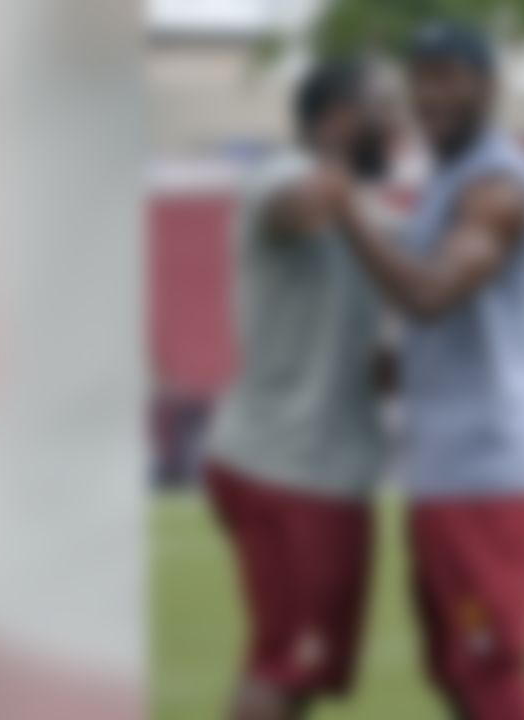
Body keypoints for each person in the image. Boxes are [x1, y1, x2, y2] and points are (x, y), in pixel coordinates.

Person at [319, 23, 524, 720]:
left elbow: (430, 296)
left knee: (489, 673)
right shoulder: (447, 181)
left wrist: (346, 211)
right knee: (457, 673)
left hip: (487, 474)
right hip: (445, 471)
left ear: (490, 86)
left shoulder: (498, 185)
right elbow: (434, 337)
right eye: (421, 76)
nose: (430, 93)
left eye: (450, 75)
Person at [201, 60, 395, 720]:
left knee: (299, 671)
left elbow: (378, 360)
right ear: (338, 121)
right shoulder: (280, 179)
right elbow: (304, 208)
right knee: (285, 668)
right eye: (384, 111)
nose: (399, 126)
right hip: (289, 465)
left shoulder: (366, 213)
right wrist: (342, 160)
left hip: (318, 466)